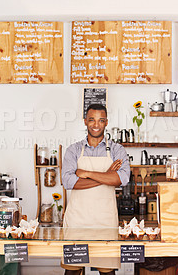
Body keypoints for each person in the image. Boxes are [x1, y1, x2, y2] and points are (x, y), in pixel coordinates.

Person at [61, 103, 130, 275]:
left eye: (101, 120)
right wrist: (106, 176)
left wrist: (86, 173)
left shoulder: (117, 150)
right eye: (92, 120)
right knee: (72, 272)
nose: (96, 124)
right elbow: (69, 182)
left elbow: (122, 178)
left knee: (107, 272)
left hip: (105, 222)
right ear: (85, 121)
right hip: (77, 221)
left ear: (106, 122)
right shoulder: (74, 150)